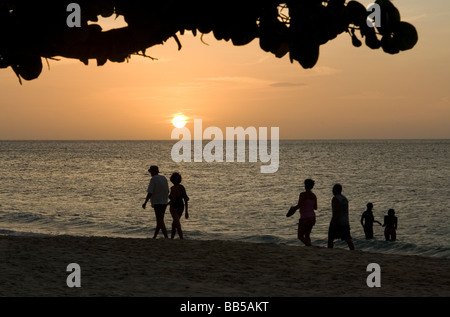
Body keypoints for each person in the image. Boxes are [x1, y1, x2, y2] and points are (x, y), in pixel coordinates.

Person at [142, 165, 169, 239]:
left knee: (160, 220)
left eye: (151, 172)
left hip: (157, 202)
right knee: (160, 220)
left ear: (152, 172)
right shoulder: (164, 178)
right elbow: (167, 191)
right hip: (164, 201)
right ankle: (155, 236)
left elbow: (150, 192)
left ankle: (166, 236)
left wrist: (145, 202)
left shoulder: (153, 179)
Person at [290, 179, 317, 246]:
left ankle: (309, 246)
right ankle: (309, 247)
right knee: (307, 235)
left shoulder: (302, 194)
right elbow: (315, 207)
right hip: (312, 217)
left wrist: (293, 209)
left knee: (300, 236)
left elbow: (299, 205)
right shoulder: (314, 196)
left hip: (305, 218)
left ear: (305, 185)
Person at [328, 183, 355, 250]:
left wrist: (334, 222)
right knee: (347, 238)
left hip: (338, 220)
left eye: (333, 189)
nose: (332, 191)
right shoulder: (344, 199)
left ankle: (330, 250)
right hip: (345, 220)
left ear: (336, 190)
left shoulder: (335, 199)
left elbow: (336, 211)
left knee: (331, 238)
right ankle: (353, 250)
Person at [168, 172, 189, 239]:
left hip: (174, 207)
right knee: (174, 223)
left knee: (176, 223)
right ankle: (172, 238)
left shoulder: (173, 188)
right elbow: (185, 199)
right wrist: (186, 211)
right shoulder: (182, 187)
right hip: (181, 206)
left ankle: (181, 238)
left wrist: (166, 204)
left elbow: (173, 200)